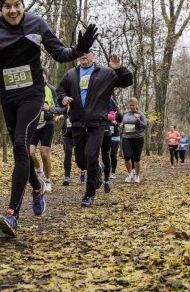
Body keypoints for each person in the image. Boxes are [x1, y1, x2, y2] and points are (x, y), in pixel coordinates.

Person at [0, 0, 98, 237]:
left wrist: (79, 49)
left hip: (32, 94)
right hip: (8, 97)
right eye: (7, 6)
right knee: (21, 151)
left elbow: (60, 54)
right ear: (1, 8)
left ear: (22, 5)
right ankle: (37, 187)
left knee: (20, 146)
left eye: (17, 5)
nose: (13, 10)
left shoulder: (37, 24)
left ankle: (12, 214)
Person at [57, 51, 133, 207]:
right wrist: (62, 98)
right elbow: (60, 91)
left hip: (97, 123)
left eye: (87, 52)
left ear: (93, 55)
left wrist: (118, 69)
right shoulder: (71, 74)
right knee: (81, 161)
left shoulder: (105, 72)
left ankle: (89, 195)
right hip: (77, 122)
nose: (83, 55)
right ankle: (97, 169)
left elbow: (126, 81)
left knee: (91, 155)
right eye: (81, 52)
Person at [29, 69, 61, 192]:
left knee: (44, 153)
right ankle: (39, 170)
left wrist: (50, 109)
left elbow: (60, 108)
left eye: (42, 74)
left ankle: (48, 180)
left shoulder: (52, 90)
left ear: (46, 76)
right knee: (30, 152)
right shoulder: (31, 90)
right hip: (34, 124)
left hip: (48, 124)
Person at [119, 97, 147, 183]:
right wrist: (120, 126)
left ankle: (137, 175)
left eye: (133, 105)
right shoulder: (125, 114)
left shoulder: (140, 114)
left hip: (138, 138)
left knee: (136, 158)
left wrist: (138, 121)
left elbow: (145, 126)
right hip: (127, 137)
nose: (131, 107)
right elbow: (122, 123)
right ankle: (130, 173)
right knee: (127, 156)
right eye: (130, 105)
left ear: (137, 105)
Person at [109, 98, 121, 179]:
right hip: (106, 136)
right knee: (106, 154)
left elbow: (121, 126)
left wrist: (116, 123)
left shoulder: (119, 115)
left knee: (113, 154)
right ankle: (107, 169)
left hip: (115, 137)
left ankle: (113, 172)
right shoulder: (105, 113)